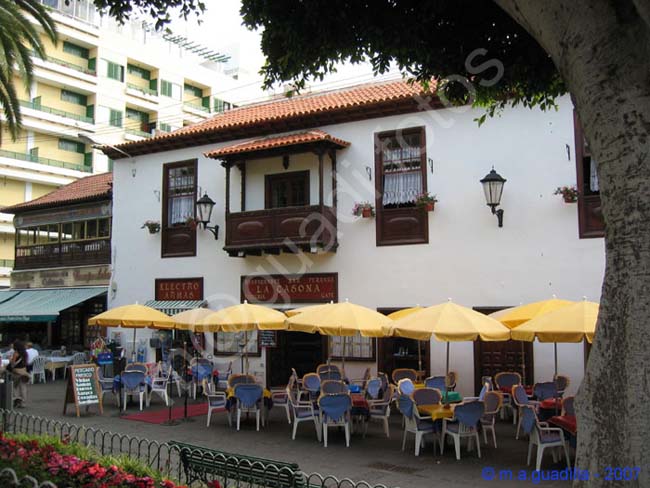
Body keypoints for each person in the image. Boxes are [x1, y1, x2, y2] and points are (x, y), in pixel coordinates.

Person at [9, 340, 30, 408]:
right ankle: (23, 403)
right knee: (23, 387)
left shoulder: (16, 353)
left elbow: (12, 364)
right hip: (24, 371)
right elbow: (27, 363)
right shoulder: (25, 353)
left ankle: (16, 399)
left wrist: (10, 359)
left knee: (13, 386)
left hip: (16, 372)